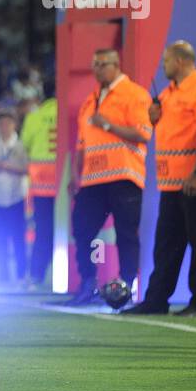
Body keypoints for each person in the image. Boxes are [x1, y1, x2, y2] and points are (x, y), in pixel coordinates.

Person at [122, 41, 196, 316]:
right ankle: (156, 299)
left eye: (167, 60)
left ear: (180, 61)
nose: (163, 65)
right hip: (172, 182)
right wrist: (154, 118)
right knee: (167, 243)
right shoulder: (170, 94)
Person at [66, 49, 152, 305]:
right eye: (95, 65)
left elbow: (143, 133)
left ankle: (125, 287)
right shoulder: (89, 102)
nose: (97, 70)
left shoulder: (134, 94)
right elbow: (82, 145)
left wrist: (108, 125)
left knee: (126, 233)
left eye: (102, 65)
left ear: (116, 66)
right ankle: (88, 284)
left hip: (124, 175)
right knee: (81, 230)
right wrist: (75, 175)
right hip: (92, 180)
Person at [20, 88, 58, 288]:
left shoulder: (35, 117)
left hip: (41, 181)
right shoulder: (72, 111)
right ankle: (72, 274)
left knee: (42, 228)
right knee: (71, 230)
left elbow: (24, 144)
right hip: (66, 180)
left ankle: (36, 274)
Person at [0, 111, 29, 284]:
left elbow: (27, 169)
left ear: (14, 125)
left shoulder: (21, 146)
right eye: (2, 123)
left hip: (16, 196)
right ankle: (2, 272)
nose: (4, 127)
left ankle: (21, 273)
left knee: (18, 236)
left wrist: (5, 166)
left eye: (8, 123)